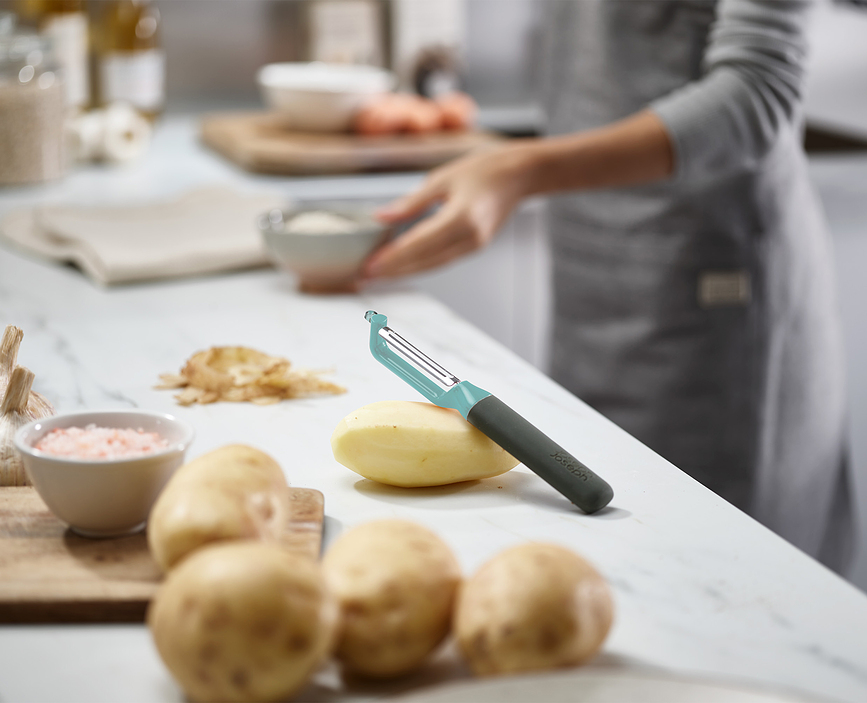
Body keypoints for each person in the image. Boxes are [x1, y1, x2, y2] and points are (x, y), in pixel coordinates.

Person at [357, 0, 856, 572]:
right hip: (594, 264)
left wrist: (525, 170)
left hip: (712, 298)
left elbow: (757, 92)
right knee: (610, 555)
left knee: (719, 574)